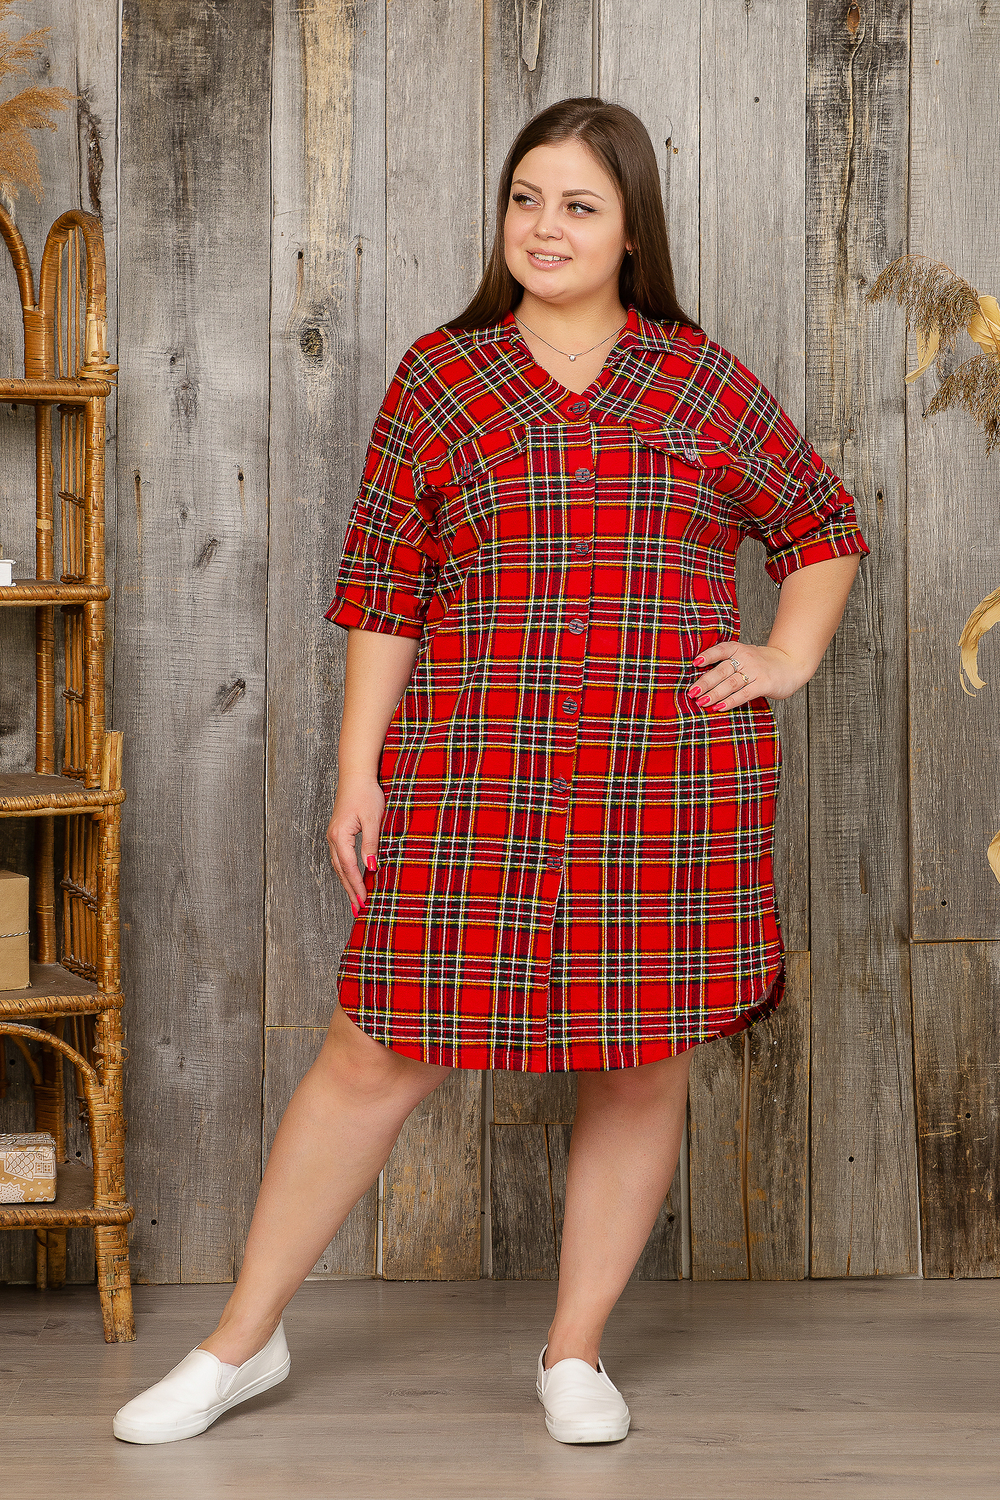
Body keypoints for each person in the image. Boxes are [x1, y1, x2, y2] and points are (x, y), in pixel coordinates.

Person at [113, 96, 869, 1447]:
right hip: (473, 772)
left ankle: (575, 1354)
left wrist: (787, 656)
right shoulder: (441, 378)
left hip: (666, 780)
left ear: (632, 230)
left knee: (639, 1061)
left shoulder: (697, 379)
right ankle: (240, 1342)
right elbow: (385, 588)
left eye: (579, 204)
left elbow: (820, 523)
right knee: (375, 1050)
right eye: (526, 199)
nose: (545, 227)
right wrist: (358, 771)